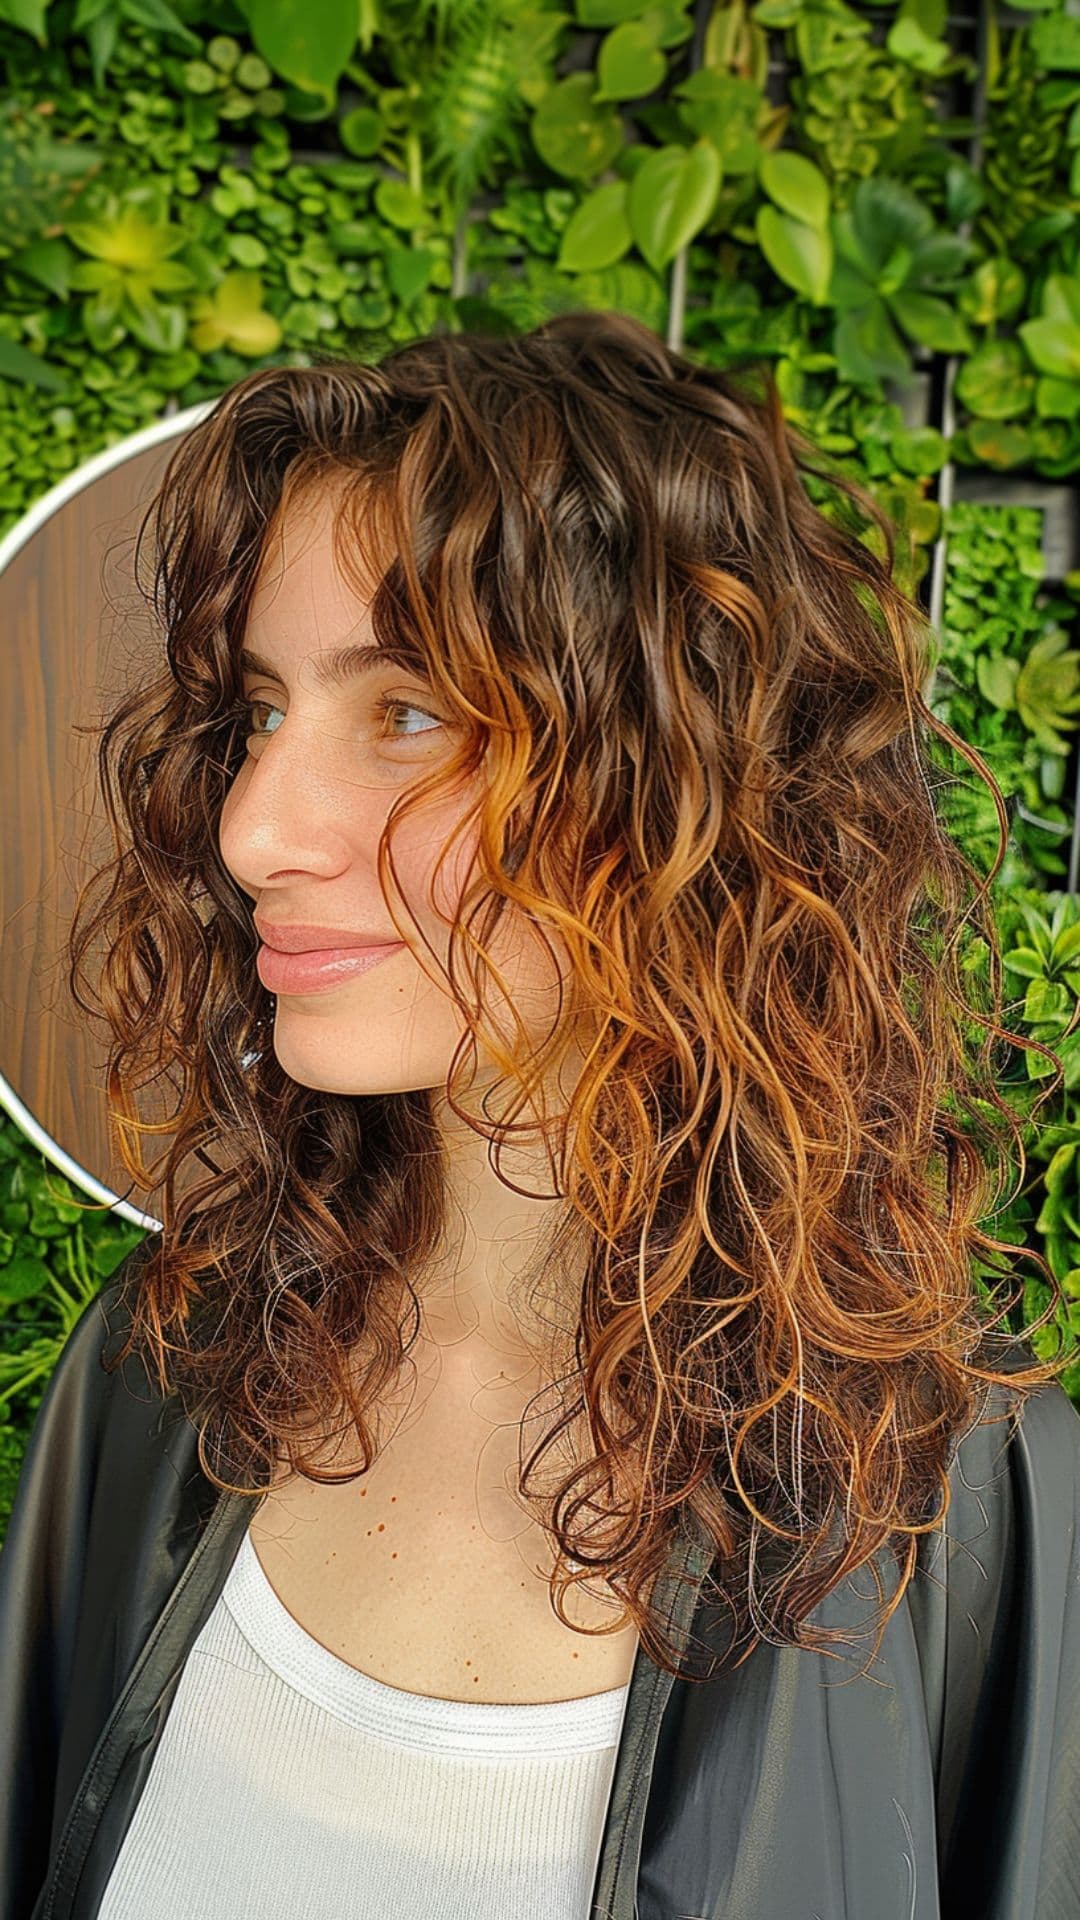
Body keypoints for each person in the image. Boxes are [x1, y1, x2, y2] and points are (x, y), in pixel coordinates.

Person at [2, 310, 1079, 1920]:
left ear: (673, 773)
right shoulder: (169, 1376)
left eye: (409, 713)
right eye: (258, 715)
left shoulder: (957, 1506)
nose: (251, 827)